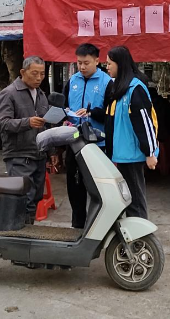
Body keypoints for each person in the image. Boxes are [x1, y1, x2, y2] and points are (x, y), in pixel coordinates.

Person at [61, 43, 112, 229]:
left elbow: (112, 113)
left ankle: (99, 225)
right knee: (74, 184)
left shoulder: (107, 82)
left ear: (97, 61)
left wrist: (92, 112)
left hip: (97, 143)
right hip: (74, 141)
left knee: (98, 186)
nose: (82, 67)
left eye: (86, 63)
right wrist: (64, 118)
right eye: (79, 63)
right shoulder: (72, 81)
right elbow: (64, 106)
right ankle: (78, 225)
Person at [104, 46, 158, 219]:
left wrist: (150, 152)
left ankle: (142, 233)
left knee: (136, 201)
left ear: (120, 64)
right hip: (122, 154)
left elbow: (144, 122)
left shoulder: (135, 88)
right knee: (129, 199)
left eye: (109, 63)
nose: (107, 67)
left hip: (133, 155)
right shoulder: (120, 88)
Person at [0, 56, 49, 224]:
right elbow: (2, 123)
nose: (39, 78)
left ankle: (27, 231)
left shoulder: (41, 95)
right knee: (22, 199)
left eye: (42, 74)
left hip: (39, 155)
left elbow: (45, 126)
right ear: (23, 72)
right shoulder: (9, 93)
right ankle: (18, 233)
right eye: (34, 73)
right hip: (19, 155)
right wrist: (27, 122)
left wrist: (52, 151)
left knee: (35, 199)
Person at [147, 83, 170, 176]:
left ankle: (157, 169)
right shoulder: (164, 102)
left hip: (154, 134)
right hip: (166, 133)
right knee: (168, 153)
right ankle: (166, 169)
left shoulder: (147, 104)